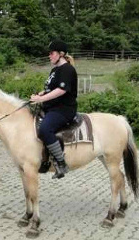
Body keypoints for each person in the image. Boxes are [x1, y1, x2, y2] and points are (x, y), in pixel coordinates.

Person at [30, 40, 78, 179]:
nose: (49, 56)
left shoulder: (68, 69)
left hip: (63, 109)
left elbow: (62, 90)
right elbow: (50, 89)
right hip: (51, 107)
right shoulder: (54, 70)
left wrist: (41, 99)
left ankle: (61, 163)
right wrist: (40, 94)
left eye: (52, 53)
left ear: (61, 54)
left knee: (45, 128)